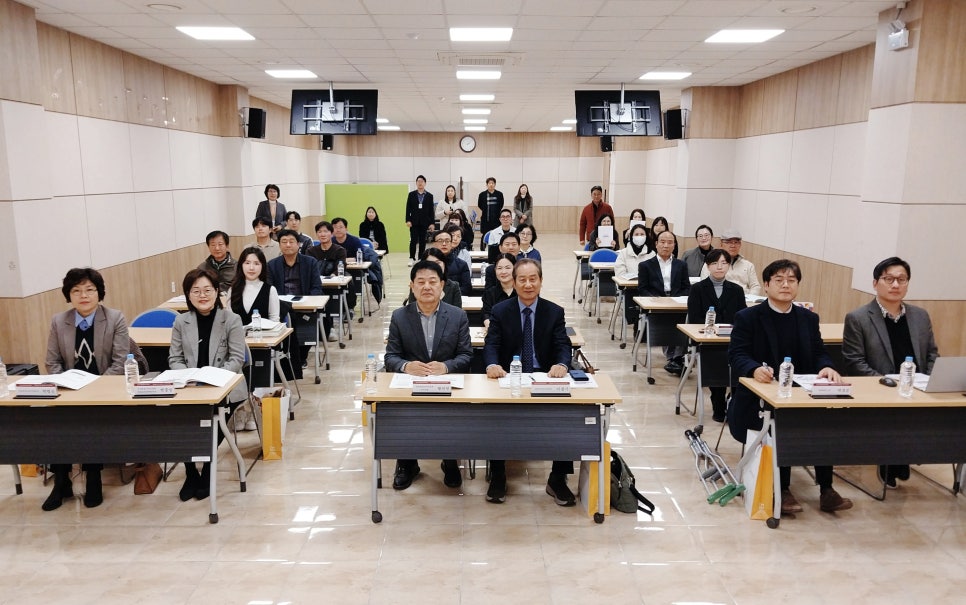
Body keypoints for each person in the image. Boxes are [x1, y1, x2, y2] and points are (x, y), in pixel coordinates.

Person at [728, 259, 852, 515]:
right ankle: (782, 489)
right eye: (779, 280)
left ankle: (827, 489)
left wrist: (827, 366)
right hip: (761, 397)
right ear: (766, 285)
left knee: (825, 421)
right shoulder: (748, 317)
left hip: (801, 393)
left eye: (791, 280)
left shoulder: (807, 318)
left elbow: (819, 352)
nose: (786, 285)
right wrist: (754, 368)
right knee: (780, 422)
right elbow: (737, 354)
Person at [483, 258, 575, 506]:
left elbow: (562, 345)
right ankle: (498, 475)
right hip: (509, 376)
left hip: (542, 376)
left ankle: (557, 479)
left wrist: (562, 364)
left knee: (566, 416)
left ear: (541, 281)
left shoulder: (554, 311)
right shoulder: (501, 311)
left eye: (533, 279)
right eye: (522, 280)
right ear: (514, 283)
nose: (528, 284)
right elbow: (491, 344)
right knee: (494, 416)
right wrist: (491, 365)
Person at [842, 257, 939, 488]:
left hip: (917, 387)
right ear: (875, 283)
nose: (895, 285)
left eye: (901, 279)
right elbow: (854, 362)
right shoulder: (858, 318)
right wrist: (885, 383)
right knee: (896, 413)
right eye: (889, 279)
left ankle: (901, 456)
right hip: (879, 389)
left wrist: (931, 382)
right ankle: (892, 459)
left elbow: (932, 354)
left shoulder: (920, 316)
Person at [43, 267, 130, 511]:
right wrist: (67, 385)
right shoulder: (59, 321)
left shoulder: (115, 318)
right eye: (76, 291)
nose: (83, 295)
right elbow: (52, 362)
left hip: (105, 391)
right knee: (53, 419)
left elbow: (120, 362)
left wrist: (94, 389)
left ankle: (93, 477)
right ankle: (61, 481)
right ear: (68, 295)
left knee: (92, 417)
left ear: (99, 293)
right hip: (70, 391)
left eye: (90, 290)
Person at [385, 260, 473, 490]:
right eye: (421, 282)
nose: (426, 287)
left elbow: (466, 355)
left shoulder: (457, 316)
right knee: (400, 412)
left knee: (450, 414)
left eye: (432, 282)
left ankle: (450, 460)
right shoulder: (399, 316)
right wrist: (406, 366)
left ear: (442, 285)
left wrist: (445, 366)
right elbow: (390, 357)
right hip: (411, 385)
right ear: (412, 286)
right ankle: (407, 463)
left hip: (447, 383)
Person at [169, 268, 248, 502]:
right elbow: (174, 358)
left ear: (216, 292)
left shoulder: (231, 319)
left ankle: (207, 471)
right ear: (188, 295)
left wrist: (212, 378)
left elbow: (237, 359)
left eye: (207, 290)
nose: (202, 295)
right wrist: (189, 378)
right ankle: (191, 472)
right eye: (196, 291)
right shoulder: (181, 321)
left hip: (224, 386)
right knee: (181, 420)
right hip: (190, 386)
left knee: (214, 421)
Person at [686, 249, 747, 422]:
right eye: (715, 263)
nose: (719, 267)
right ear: (708, 266)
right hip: (708, 341)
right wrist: (712, 329)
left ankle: (734, 403)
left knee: (741, 362)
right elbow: (694, 317)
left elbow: (742, 317)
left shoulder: (736, 290)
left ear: (729, 266)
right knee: (717, 361)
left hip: (732, 340)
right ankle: (718, 402)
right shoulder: (697, 289)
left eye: (724, 263)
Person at [227, 246, 279, 431]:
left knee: (257, 373)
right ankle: (240, 410)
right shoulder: (233, 289)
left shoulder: (269, 290)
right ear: (241, 265)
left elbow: (275, 320)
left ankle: (253, 410)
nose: (251, 267)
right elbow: (227, 319)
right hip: (237, 345)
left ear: (262, 266)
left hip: (261, 344)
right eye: (247, 263)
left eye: (256, 263)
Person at [639, 230, 691, 375]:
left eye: (669, 242)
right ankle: (676, 358)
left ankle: (676, 358)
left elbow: (686, 287)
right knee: (666, 322)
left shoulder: (681, 265)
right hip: (656, 304)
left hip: (677, 302)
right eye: (662, 242)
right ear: (656, 244)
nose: (666, 245)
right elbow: (643, 289)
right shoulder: (646, 265)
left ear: (674, 245)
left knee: (685, 320)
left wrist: (674, 299)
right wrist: (658, 300)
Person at [306, 221, 347, 342]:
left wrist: (332, 276)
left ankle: (330, 327)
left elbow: (341, 267)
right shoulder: (311, 251)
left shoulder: (339, 250)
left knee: (329, 297)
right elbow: (309, 269)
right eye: (319, 232)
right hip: (316, 283)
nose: (322, 234)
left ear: (331, 233)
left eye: (325, 231)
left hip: (333, 283)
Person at [614, 223, 655, 330]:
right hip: (630, 288)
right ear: (631, 236)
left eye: (642, 234)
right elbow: (620, 273)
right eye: (636, 234)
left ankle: (646, 327)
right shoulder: (623, 253)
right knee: (631, 296)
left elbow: (655, 274)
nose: (639, 237)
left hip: (647, 289)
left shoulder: (651, 254)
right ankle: (635, 322)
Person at [700, 228, 761, 295]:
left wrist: (750, 298)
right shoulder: (710, 264)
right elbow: (704, 286)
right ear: (721, 244)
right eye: (728, 242)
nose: (733, 246)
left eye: (736, 242)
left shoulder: (748, 265)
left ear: (740, 245)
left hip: (744, 298)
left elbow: (755, 286)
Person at [332, 217, 363, 310]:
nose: (338, 230)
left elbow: (362, 256)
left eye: (341, 227)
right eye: (335, 227)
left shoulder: (354, 240)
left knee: (350, 280)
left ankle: (350, 307)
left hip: (353, 270)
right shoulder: (330, 241)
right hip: (335, 270)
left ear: (346, 229)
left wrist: (344, 260)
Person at [428, 228, 471, 295]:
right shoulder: (426, 263)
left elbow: (466, 289)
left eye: (447, 241)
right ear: (434, 244)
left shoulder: (461, 265)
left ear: (451, 244)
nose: (444, 244)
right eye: (440, 241)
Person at [405, 175, 435, 264]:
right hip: (413, 222)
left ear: (425, 183)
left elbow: (431, 211)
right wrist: (408, 220)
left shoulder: (429, 196)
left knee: (423, 241)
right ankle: (411, 258)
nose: (420, 183)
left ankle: (421, 258)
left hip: (424, 222)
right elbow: (408, 208)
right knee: (413, 241)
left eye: (422, 181)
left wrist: (432, 223)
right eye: (418, 181)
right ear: (416, 183)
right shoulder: (411, 194)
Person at [482, 253, 517, 328]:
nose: (503, 272)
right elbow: (486, 315)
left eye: (507, 268)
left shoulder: (522, 292)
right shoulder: (489, 293)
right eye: (499, 268)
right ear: (495, 270)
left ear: (515, 269)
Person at [477, 177, 504, 251]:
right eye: (489, 183)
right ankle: (482, 251)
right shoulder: (482, 195)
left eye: (492, 183)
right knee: (484, 236)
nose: (491, 184)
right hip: (486, 220)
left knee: (496, 235)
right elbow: (480, 205)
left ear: (495, 184)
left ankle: (496, 251)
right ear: (487, 185)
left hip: (496, 220)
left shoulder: (499, 194)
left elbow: (501, 205)